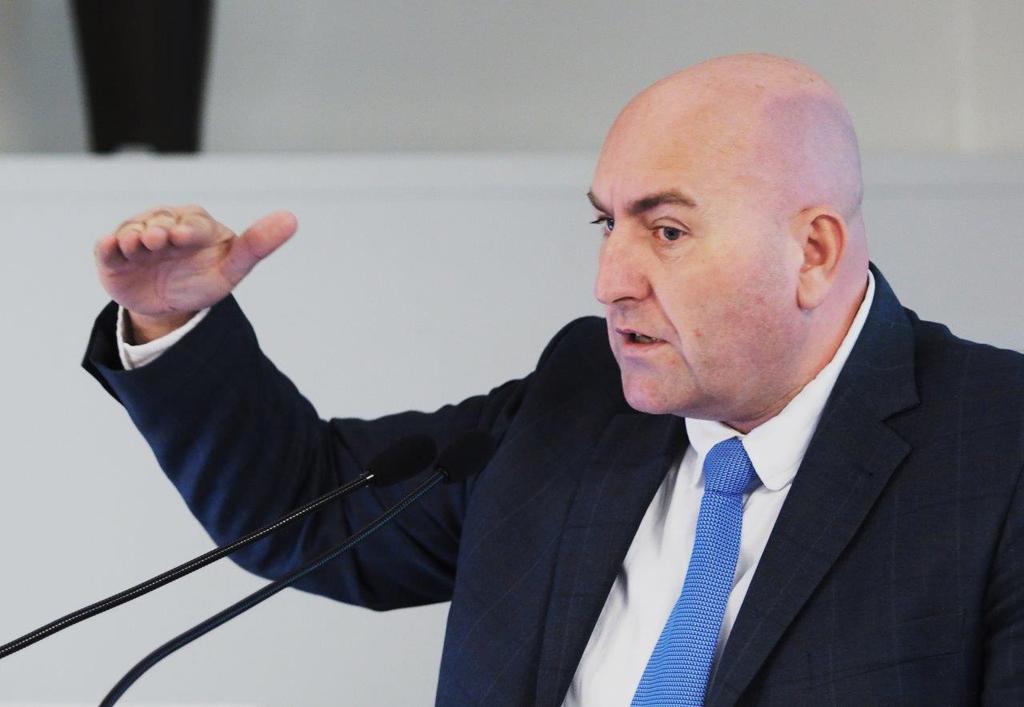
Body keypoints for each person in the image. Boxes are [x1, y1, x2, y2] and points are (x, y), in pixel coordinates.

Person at [84, 53, 1023, 705]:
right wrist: (175, 322)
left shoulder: (999, 451)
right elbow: (310, 507)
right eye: (605, 224)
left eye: (666, 230)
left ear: (812, 251)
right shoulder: (582, 396)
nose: (610, 280)